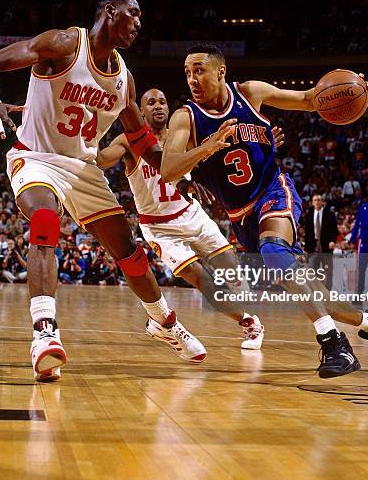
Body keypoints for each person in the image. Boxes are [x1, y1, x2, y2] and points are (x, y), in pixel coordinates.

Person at [0, 0, 205, 382]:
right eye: (133, 13)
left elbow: (142, 142)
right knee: (45, 218)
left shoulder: (124, 79)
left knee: (130, 253)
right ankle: (44, 333)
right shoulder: (64, 44)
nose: (139, 22)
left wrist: (179, 175)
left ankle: (163, 322)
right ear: (110, 12)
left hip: (82, 169)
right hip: (36, 157)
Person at [160, 44, 368, 378]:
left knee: (274, 252)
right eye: (187, 72)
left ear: (220, 71)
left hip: (273, 191)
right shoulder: (186, 116)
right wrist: (208, 146)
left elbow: (309, 99)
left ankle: (333, 344)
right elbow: (168, 169)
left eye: (199, 70)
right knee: (313, 293)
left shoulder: (249, 93)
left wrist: (357, 87)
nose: (192, 78)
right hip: (240, 217)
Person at [97, 87, 275, 349]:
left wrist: (263, 146)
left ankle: (245, 310)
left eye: (162, 101)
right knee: (199, 277)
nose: (158, 106)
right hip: (158, 226)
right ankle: (248, 322)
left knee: (234, 274)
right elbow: (101, 160)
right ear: (141, 112)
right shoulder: (127, 142)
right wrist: (94, 129)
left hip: (192, 215)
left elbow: (224, 151)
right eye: (151, 102)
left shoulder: (184, 136)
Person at [302, 193, 338, 290]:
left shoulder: (329, 214)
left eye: (319, 200)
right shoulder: (309, 215)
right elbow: (307, 233)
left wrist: (332, 241)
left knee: (328, 271)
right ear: (312, 203)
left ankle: (328, 292)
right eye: (315, 200)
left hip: (326, 246)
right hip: (313, 246)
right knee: (313, 270)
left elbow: (334, 230)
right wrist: (306, 248)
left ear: (322, 202)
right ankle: (315, 292)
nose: (317, 202)